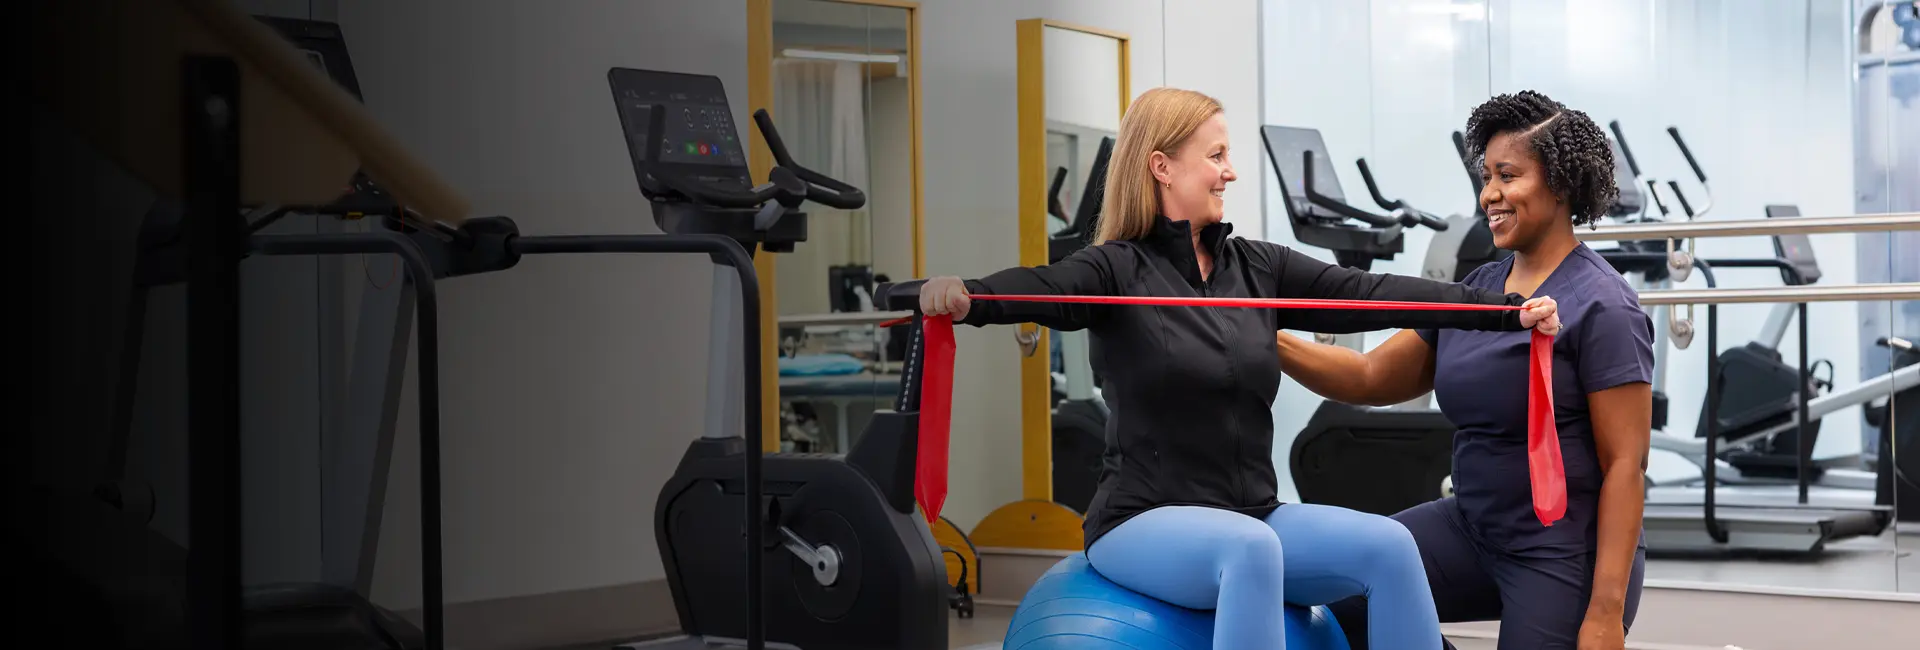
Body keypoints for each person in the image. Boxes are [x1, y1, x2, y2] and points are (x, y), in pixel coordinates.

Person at [915, 87, 1562, 650]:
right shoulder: (1113, 268)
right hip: (1140, 521)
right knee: (1249, 551)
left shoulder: (1257, 268)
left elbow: (1371, 291)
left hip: (1254, 512)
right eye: (1216, 157)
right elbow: (1043, 286)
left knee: (1389, 549)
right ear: (1162, 167)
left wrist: (1505, 312)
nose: (1229, 173)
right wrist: (968, 296)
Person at [1281, 91, 1654, 650]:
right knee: (1342, 602)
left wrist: (1604, 612)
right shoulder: (1478, 290)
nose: (1489, 194)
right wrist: (1265, 336)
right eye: (1486, 177)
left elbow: (1627, 465)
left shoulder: (1605, 306)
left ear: (1559, 184)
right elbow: (1368, 377)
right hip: (1471, 527)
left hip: (1565, 549)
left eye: (1508, 175)